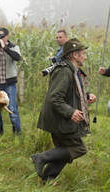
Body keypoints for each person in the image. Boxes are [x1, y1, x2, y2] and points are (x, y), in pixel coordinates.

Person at [31, 38, 97, 182]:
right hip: (59, 119)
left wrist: (86, 96)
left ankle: (47, 180)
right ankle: (40, 157)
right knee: (78, 148)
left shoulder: (72, 70)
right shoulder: (65, 71)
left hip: (60, 117)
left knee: (64, 150)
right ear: (74, 55)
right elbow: (55, 98)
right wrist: (71, 112)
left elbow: (71, 92)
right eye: (83, 53)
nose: (85, 56)